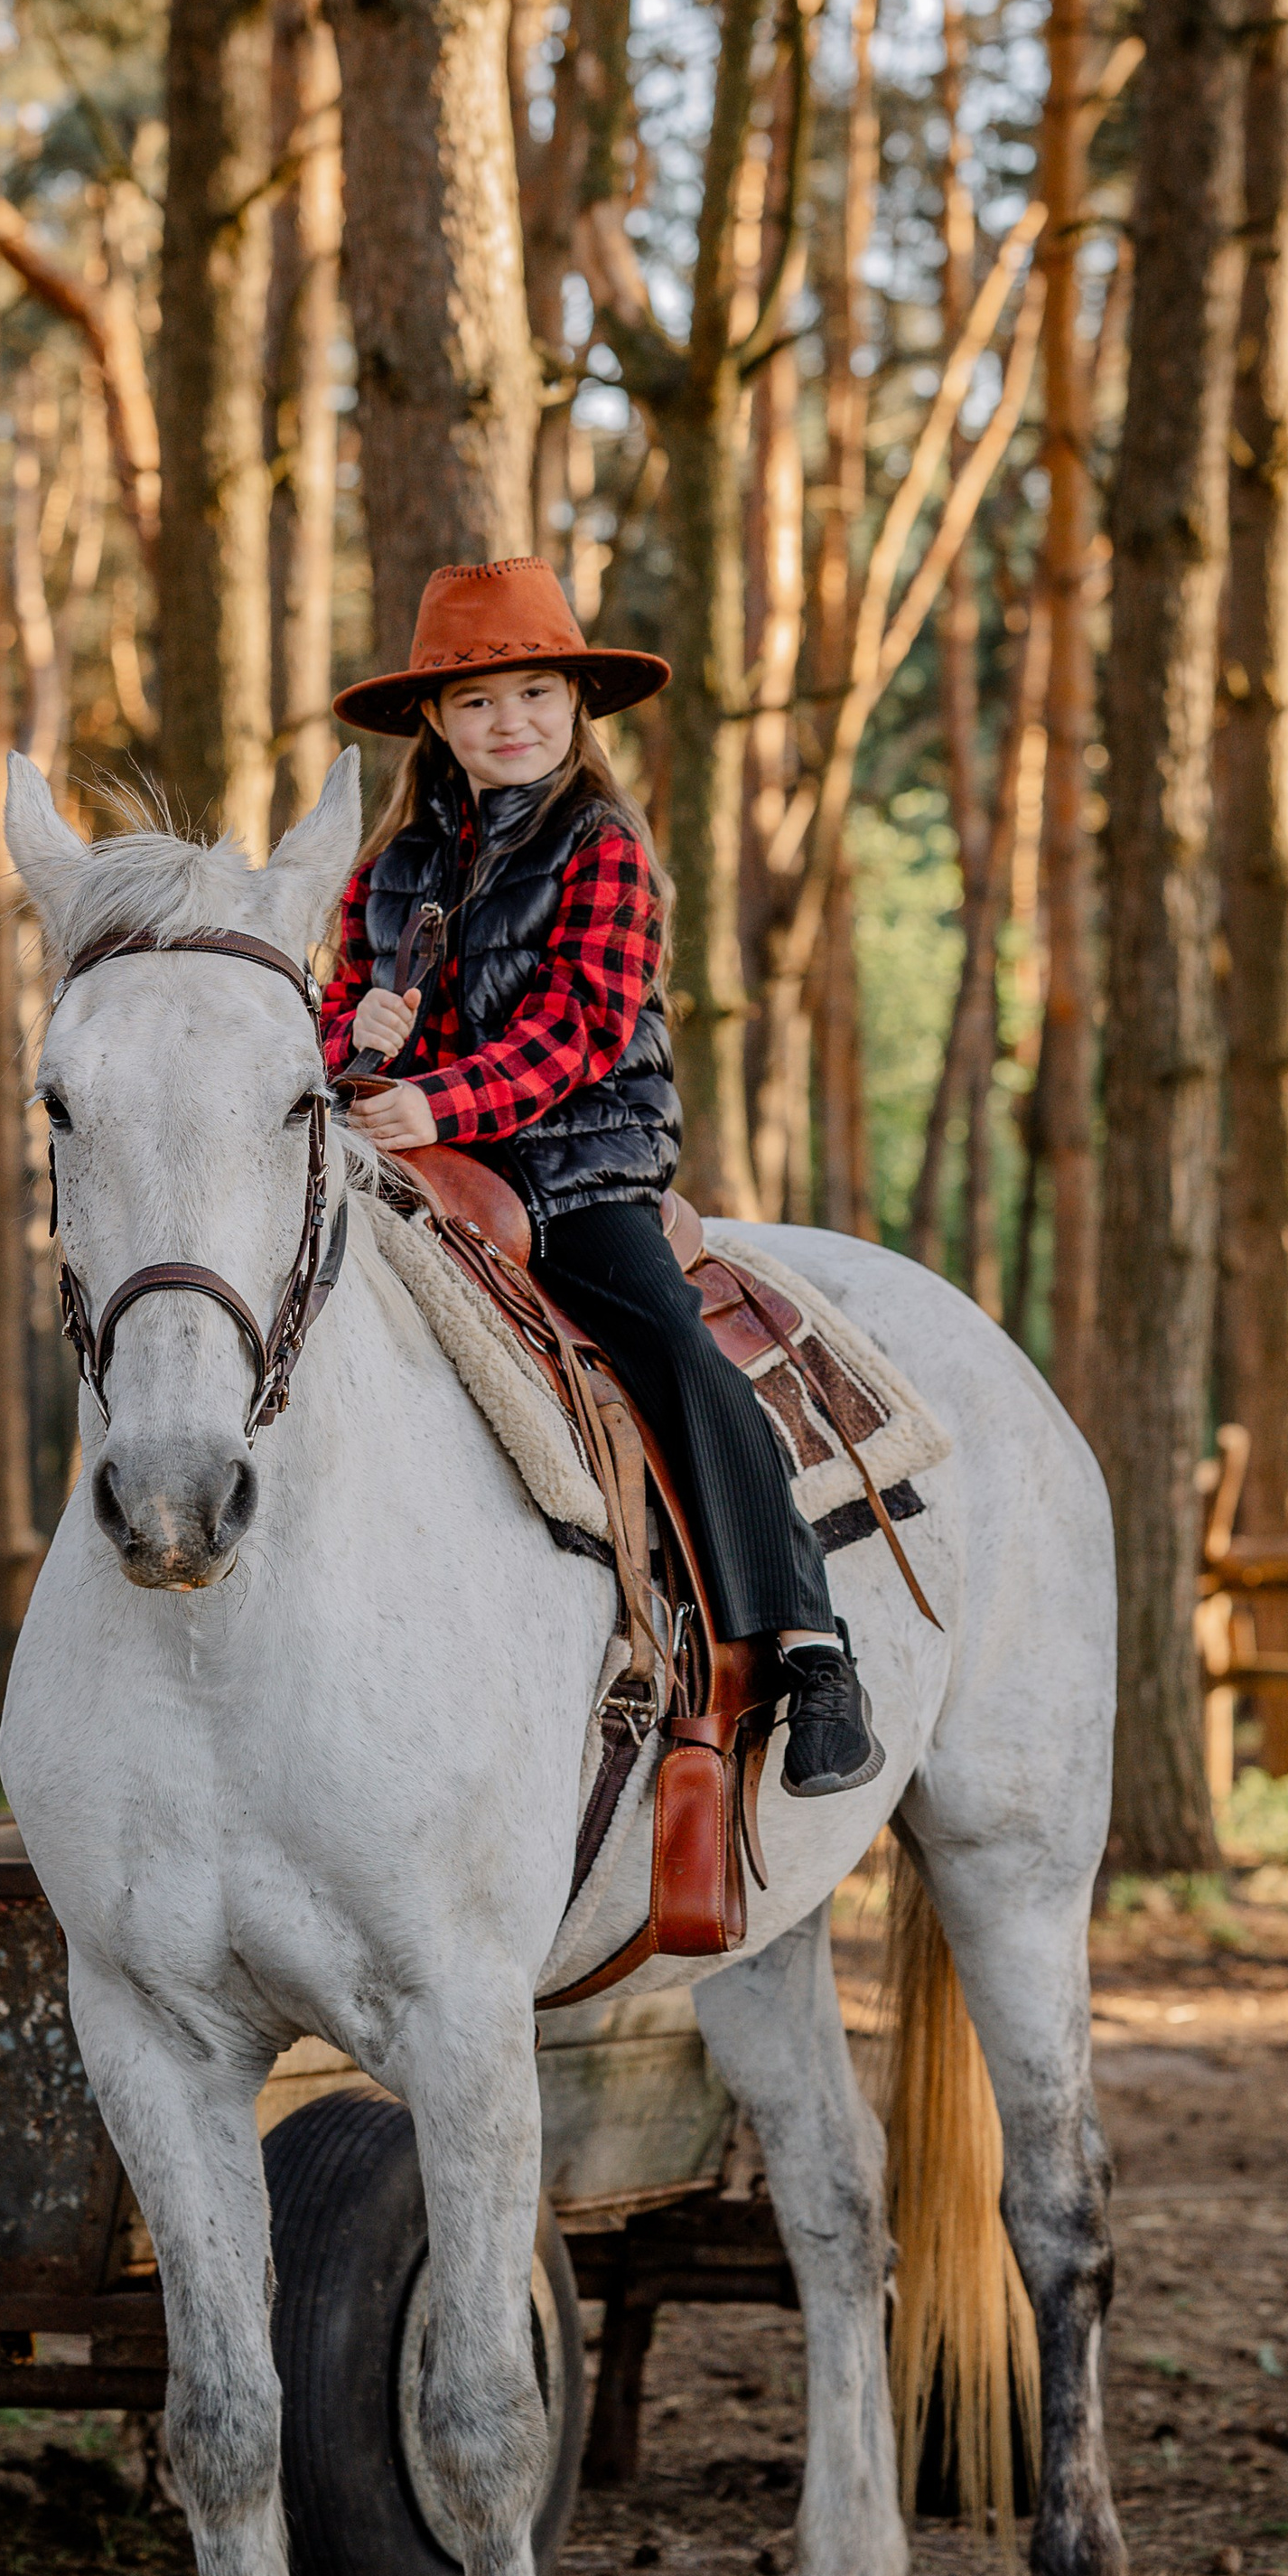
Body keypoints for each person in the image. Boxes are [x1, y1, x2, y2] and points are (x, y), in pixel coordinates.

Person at [320, 555, 885, 1799]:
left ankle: (810, 1647)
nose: (508, 721)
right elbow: (338, 1001)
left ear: (576, 703)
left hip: (578, 1164)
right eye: (478, 702)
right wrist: (346, 1073)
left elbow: (579, 1029)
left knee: (666, 1345)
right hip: (416, 1157)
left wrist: (437, 1103)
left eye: (534, 693)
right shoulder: (389, 864)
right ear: (435, 721)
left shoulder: (603, 846)